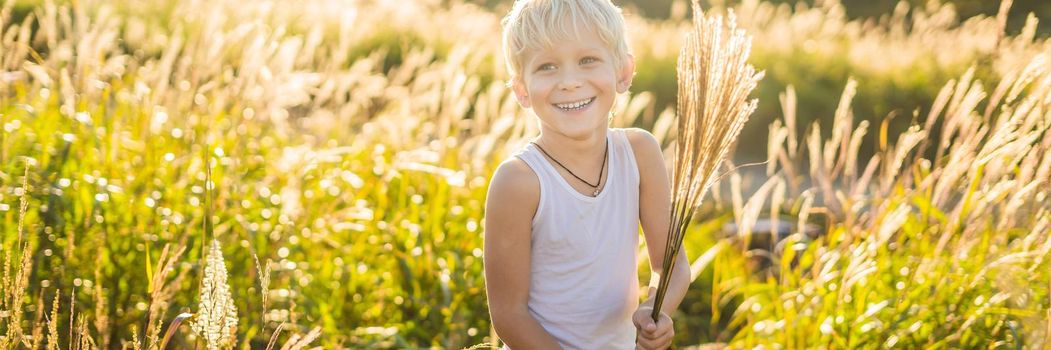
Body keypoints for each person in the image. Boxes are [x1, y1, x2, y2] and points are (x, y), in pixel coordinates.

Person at [483, 0, 691, 349]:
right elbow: (508, 314)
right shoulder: (519, 181)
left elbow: (673, 266)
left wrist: (655, 310)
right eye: (547, 66)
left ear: (623, 72)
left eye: (587, 60)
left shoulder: (640, 153)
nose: (569, 82)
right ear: (522, 90)